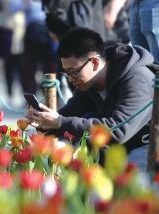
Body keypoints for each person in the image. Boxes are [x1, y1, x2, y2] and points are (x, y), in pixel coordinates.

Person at [24, 27, 155, 171]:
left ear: (94, 62)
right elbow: (70, 113)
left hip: (147, 146)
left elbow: (118, 130)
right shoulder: (89, 82)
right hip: (118, 146)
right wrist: (44, 122)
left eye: (73, 72)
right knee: (86, 121)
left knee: (127, 181)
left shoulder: (137, 79)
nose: (70, 79)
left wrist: (58, 122)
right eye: (66, 73)